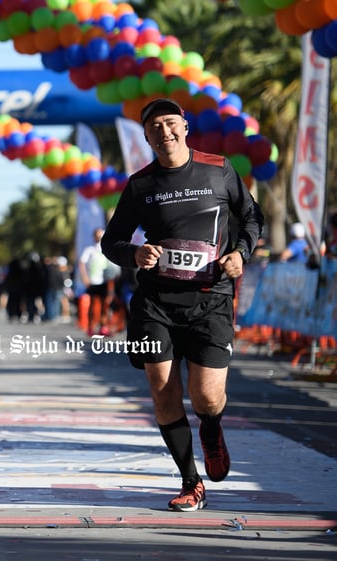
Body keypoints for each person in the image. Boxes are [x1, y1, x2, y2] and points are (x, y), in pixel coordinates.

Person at [101, 98, 263, 512]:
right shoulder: (140, 184)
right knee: (162, 391)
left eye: (170, 123)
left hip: (210, 300)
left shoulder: (219, 169)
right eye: (154, 127)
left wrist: (241, 253)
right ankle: (191, 481)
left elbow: (252, 218)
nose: (163, 132)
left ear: (185, 127)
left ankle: (211, 428)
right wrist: (134, 253)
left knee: (207, 397)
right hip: (156, 302)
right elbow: (111, 241)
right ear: (146, 136)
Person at [79, 228, 113, 336]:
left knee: (105, 305)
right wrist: (85, 278)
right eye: (97, 235)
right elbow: (81, 263)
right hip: (93, 282)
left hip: (105, 281)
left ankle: (103, 327)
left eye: (101, 235)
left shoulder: (107, 250)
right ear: (94, 237)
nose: (99, 237)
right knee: (93, 305)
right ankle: (90, 327)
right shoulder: (89, 250)